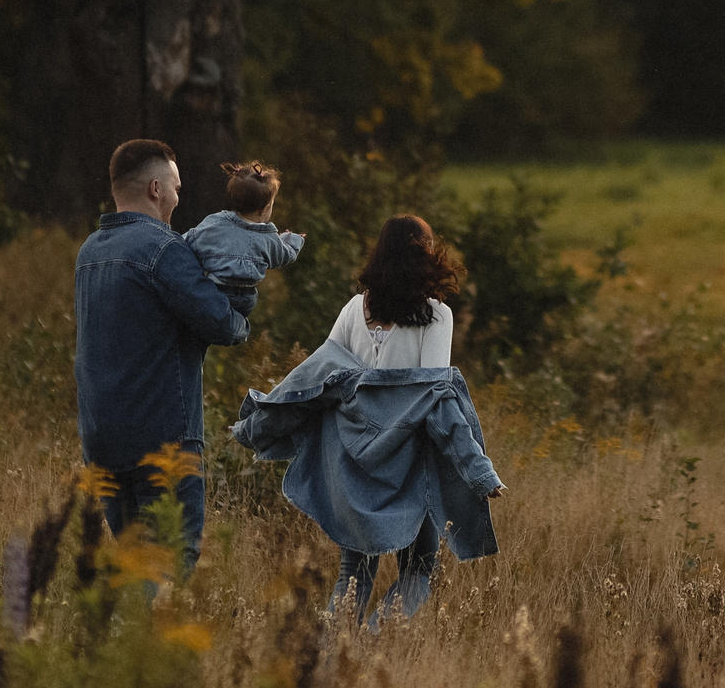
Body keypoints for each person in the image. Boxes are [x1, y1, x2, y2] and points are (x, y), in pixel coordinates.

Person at [230, 215, 506, 626]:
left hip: (352, 467)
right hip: (410, 466)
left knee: (353, 573)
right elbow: (433, 398)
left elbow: (314, 378)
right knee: (418, 571)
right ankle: (373, 640)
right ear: (425, 255)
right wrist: (478, 470)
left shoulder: (354, 310)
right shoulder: (436, 316)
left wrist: (258, 423)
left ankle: (328, 656)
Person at [73, 138, 254, 577]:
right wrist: (242, 296)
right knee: (172, 561)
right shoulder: (163, 249)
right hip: (163, 438)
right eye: (175, 187)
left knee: (135, 562)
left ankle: (116, 643)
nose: (178, 196)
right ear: (155, 189)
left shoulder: (89, 253)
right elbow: (221, 324)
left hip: (101, 440)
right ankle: (142, 645)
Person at [182, 161, 305, 323]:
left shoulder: (216, 223)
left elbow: (189, 240)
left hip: (215, 290)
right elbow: (284, 255)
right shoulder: (268, 236)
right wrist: (293, 240)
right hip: (246, 300)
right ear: (265, 208)